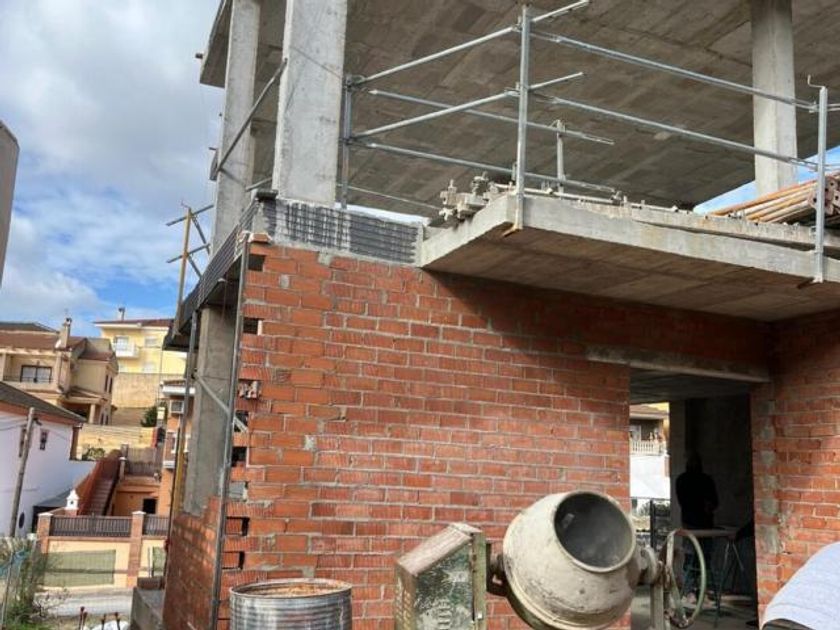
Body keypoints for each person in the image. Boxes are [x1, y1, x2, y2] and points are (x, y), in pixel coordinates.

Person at [676, 452, 718, 529]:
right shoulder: (706, 479)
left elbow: (714, 501)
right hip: (699, 520)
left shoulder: (682, 479)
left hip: (694, 519)